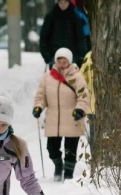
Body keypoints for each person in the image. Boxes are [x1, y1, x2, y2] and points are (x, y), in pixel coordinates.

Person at [33, 47, 90, 181]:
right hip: (54, 118)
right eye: (59, 60)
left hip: (72, 117)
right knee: (51, 149)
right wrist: (38, 107)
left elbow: (83, 96)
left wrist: (80, 109)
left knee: (70, 149)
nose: (61, 63)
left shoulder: (77, 76)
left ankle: (69, 173)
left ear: (69, 61)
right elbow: (41, 95)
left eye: (64, 60)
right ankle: (58, 165)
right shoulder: (48, 77)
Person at [39, 0, 88, 69]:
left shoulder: (75, 17)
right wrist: (46, 56)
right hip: (54, 56)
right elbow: (44, 37)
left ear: (69, 3)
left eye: (65, 2)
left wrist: (81, 57)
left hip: (72, 56)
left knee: (71, 79)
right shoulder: (51, 17)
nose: (63, 5)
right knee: (55, 79)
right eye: (61, 2)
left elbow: (80, 38)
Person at [80, 50, 95, 148]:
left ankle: (96, 160)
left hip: (93, 106)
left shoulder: (89, 56)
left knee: (94, 137)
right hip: (93, 106)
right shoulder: (89, 56)